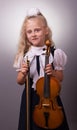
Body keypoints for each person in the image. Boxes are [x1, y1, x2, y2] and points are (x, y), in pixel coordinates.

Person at [13, 8, 69, 130]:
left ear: (46, 31)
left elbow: (61, 78)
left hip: (50, 95)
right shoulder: (24, 55)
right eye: (29, 32)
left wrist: (53, 73)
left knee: (53, 123)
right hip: (31, 96)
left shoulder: (55, 53)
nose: (33, 34)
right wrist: (23, 73)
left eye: (37, 30)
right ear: (26, 35)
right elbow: (19, 81)